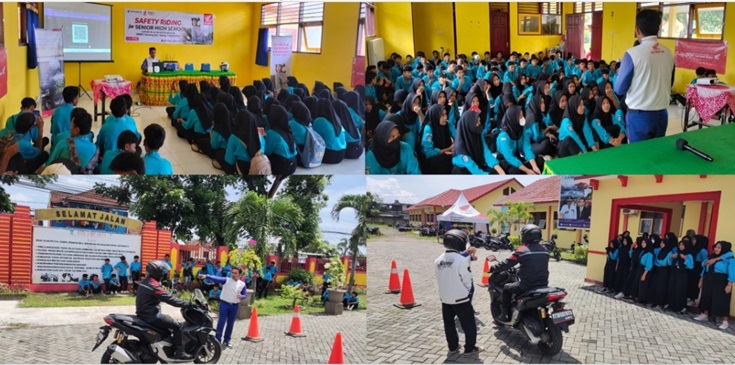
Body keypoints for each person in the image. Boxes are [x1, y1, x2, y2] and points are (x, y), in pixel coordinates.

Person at [614, 9, 675, 142]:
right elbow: (670, 82)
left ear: (637, 30)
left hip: (639, 116)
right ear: (658, 28)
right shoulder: (668, 52)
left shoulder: (632, 54)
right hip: (662, 115)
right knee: (656, 154)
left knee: (638, 156)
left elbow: (619, 89)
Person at [434, 229, 482, 355]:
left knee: (449, 324)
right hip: (460, 298)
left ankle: (453, 347)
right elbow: (467, 280)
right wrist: (466, 293)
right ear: (460, 243)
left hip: (445, 298)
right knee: (469, 325)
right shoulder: (461, 260)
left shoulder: (438, 260)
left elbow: (439, 278)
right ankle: (469, 348)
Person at [490, 224, 549, 323]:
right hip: (543, 284)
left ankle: (504, 315)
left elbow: (508, 263)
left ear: (526, 236)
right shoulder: (545, 250)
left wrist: (493, 268)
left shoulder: (523, 250)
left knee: (507, 288)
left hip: (527, 285)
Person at [136, 260, 191, 359]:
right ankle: (180, 352)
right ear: (157, 271)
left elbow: (166, 296)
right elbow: (169, 299)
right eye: (163, 271)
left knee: (168, 325)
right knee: (177, 326)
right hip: (151, 316)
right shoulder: (153, 285)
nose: (164, 273)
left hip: (144, 314)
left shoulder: (146, 281)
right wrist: (187, 304)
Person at [694, 241, 735, 330]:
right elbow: (704, 268)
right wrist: (701, 279)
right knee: (707, 296)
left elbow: (732, 271)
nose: (716, 249)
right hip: (709, 278)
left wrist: (729, 284)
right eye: (716, 247)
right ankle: (705, 314)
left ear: (724, 248)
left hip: (721, 280)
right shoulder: (712, 256)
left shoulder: (729, 258)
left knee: (722, 300)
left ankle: (725, 321)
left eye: (719, 247)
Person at [451, 110, 504, 175]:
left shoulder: (477, 133)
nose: (479, 124)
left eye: (479, 121)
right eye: (477, 122)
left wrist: (498, 168)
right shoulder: (461, 149)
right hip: (464, 172)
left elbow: (486, 152)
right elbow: (475, 170)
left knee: (498, 169)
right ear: (469, 125)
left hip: (477, 164)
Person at [47, 109, 98, 173]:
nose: (70, 128)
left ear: (76, 130)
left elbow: (49, 165)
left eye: (71, 126)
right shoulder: (95, 148)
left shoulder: (63, 144)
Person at [666, 239, 693, 314]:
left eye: (682, 245)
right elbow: (670, 263)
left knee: (680, 290)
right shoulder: (677, 253)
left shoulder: (688, 255)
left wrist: (685, 258)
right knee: (672, 288)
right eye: (680, 245)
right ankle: (671, 304)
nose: (681, 247)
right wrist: (671, 257)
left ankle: (681, 307)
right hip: (674, 273)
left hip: (682, 275)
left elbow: (691, 266)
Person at [635, 237, 655, 304]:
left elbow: (649, 265)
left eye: (644, 243)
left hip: (646, 271)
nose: (642, 244)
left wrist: (644, 274)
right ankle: (640, 297)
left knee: (644, 284)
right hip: (640, 269)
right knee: (640, 284)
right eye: (642, 243)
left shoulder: (649, 253)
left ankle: (643, 299)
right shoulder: (643, 251)